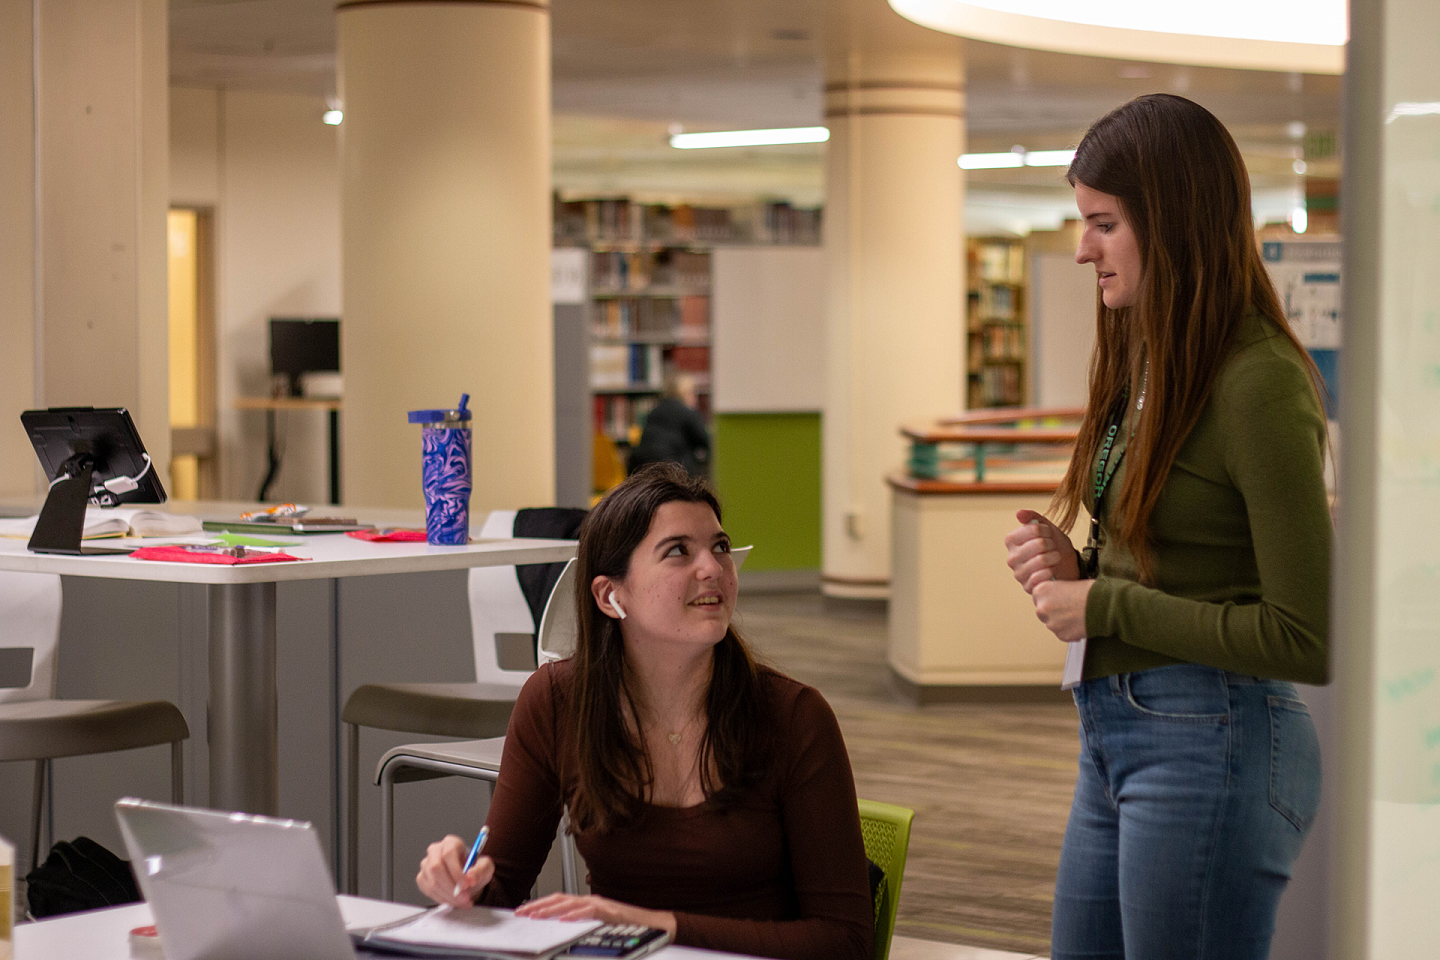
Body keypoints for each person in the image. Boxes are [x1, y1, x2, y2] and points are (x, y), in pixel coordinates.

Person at [1003, 94, 1330, 960]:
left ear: (1174, 220)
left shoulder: (1258, 381)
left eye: (1103, 224)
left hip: (1211, 741)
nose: (1083, 249)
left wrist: (1104, 606)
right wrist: (1078, 568)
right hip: (1114, 734)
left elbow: (1308, 637)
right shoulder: (1151, 357)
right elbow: (1176, 565)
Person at [416, 463, 873, 960]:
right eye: (679, 551)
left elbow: (845, 942)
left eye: (719, 547)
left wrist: (658, 926)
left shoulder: (793, 716)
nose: (713, 568)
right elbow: (500, 890)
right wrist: (462, 882)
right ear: (611, 596)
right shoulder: (556, 702)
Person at [626, 372, 710, 477]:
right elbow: (707, 441)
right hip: (674, 470)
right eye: (692, 393)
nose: (695, 398)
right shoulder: (686, 413)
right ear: (685, 393)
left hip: (644, 469)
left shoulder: (654, 411)